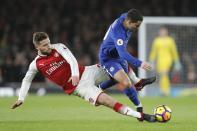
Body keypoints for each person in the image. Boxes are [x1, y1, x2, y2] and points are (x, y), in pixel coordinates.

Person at [11, 32, 156, 122]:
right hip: (79, 87)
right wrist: (21, 98)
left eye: (48, 42)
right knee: (108, 101)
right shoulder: (36, 64)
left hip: (87, 72)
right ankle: (141, 116)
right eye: (44, 45)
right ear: (37, 47)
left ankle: (137, 82)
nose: (49, 46)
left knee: (116, 62)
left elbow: (71, 59)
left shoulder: (58, 47)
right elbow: (26, 80)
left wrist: (74, 74)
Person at [98, 9, 155, 115]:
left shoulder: (127, 18)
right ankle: (139, 108)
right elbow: (123, 54)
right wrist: (140, 63)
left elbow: (130, 13)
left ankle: (99, 88)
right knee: (126, 82)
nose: (137, 28)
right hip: (108, 58)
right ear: (129, 22)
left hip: (118, 56)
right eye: (136, 25)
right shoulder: (118, 32)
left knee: (118, 79)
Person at [149, 27, 181, 96]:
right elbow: (153, 51)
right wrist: (151, 60)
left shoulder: (170, 40)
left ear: (167, 32)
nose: (163, 33)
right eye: (161, 31)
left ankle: (165, 90)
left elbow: (174, 51)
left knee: (164, 74)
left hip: (168, 60)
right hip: (159, 61)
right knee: (162, 76)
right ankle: (164, 90)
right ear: (159, 32)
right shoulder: (156, 40)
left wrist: (176, 61)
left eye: (164, 31)